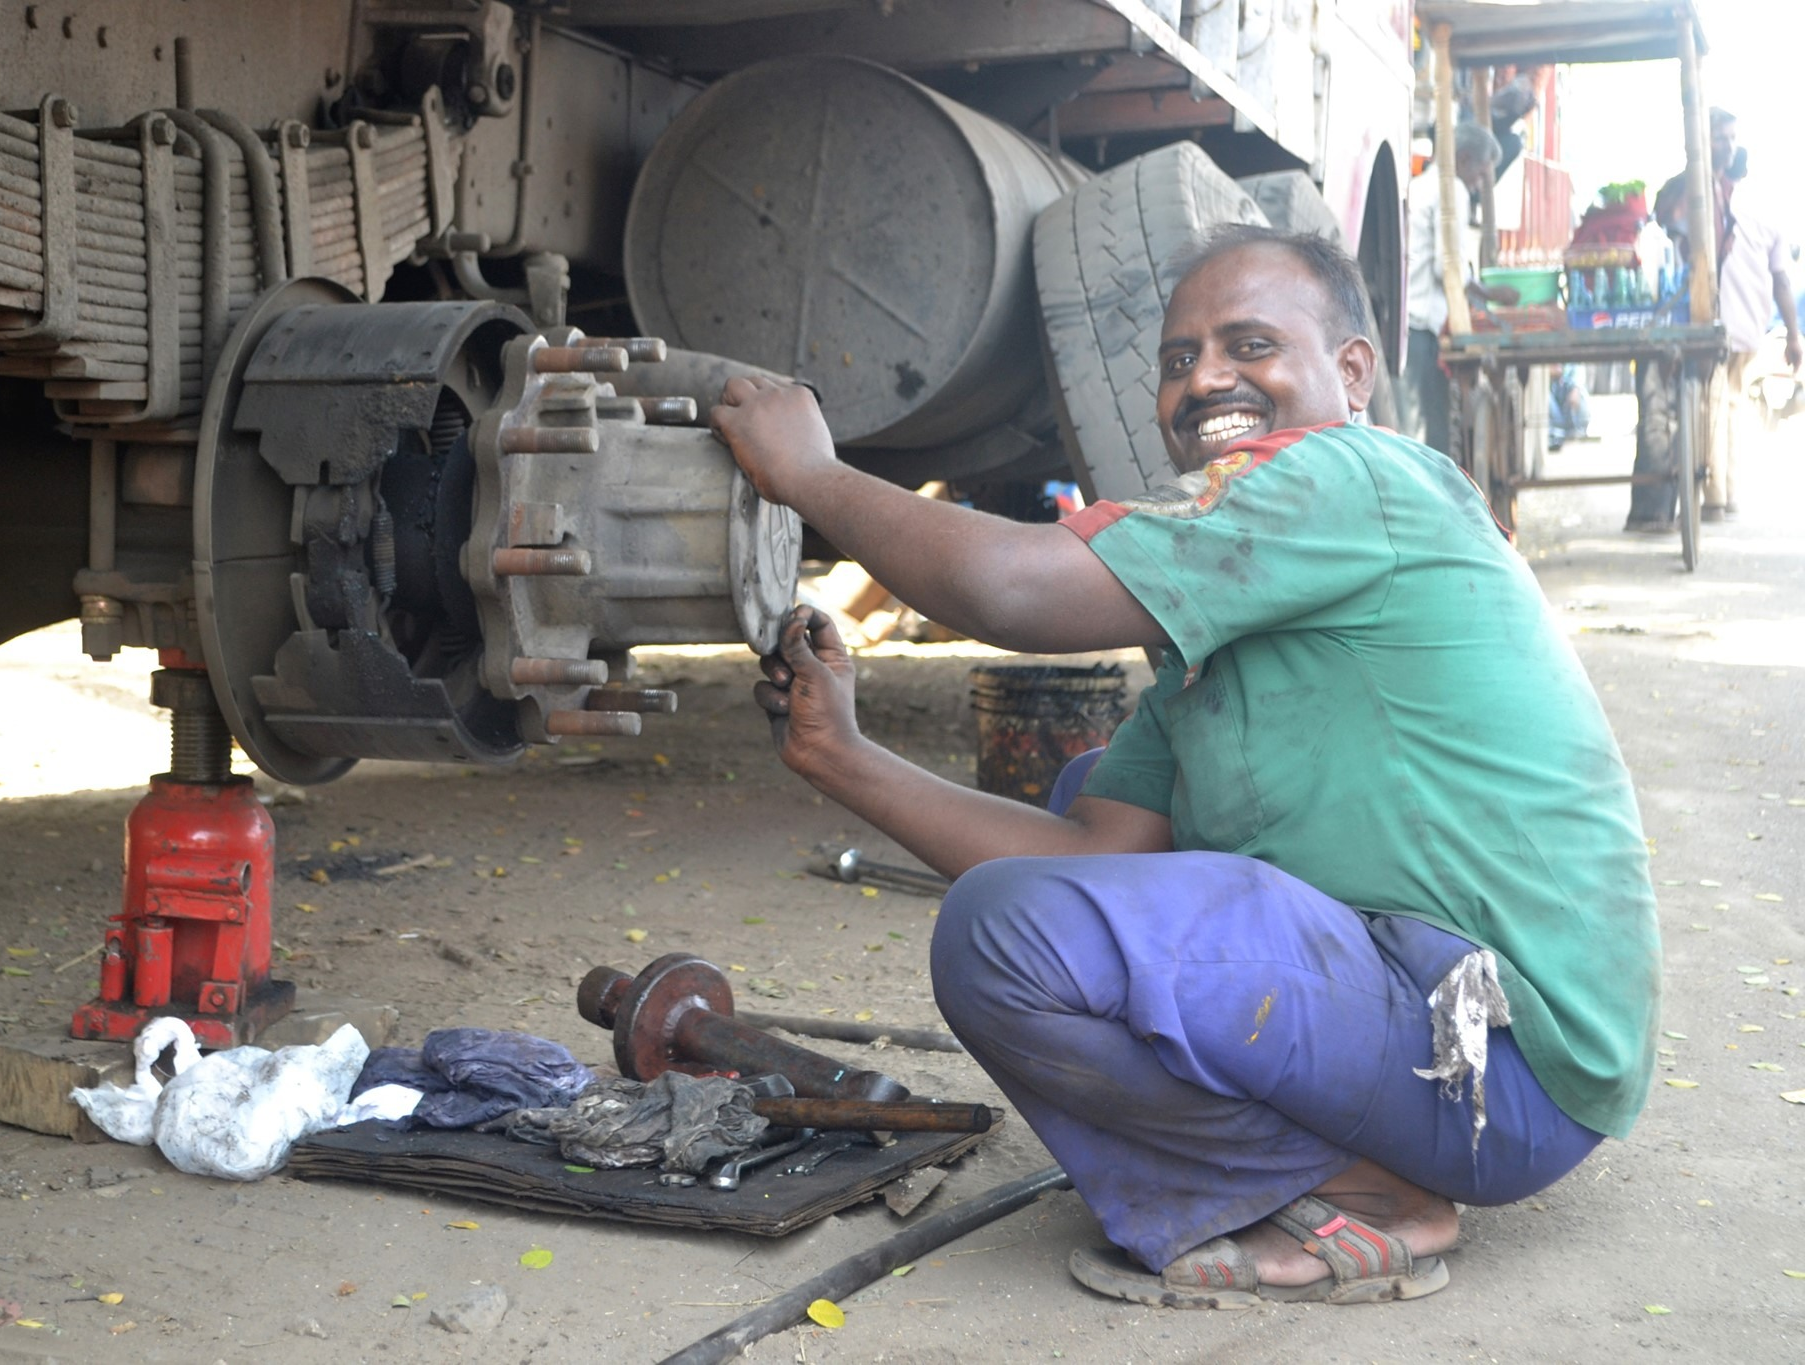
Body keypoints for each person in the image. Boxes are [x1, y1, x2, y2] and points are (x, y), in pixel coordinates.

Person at [710, 225, 1659, 1309]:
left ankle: (1371, 1197)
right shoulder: (1222, 626)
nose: (1203, 377)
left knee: (1010, 926)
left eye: (1248, 344)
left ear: (1349, 374)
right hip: (1455, 1052)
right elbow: (1091, 850)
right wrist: (845, 758)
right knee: (1076, 822)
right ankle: (1350, 1169)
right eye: (1176, 358)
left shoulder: (1347, 478)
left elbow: (1015, 591)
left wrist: (815, 477)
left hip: (1497, 1062)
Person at [1628, 108, 1801, 530]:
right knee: (1723, 404)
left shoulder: (1733, 199)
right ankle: (1719, 494)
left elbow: (1780, 277)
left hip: (1736, 323)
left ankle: (1718, 495)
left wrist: (1794, 335)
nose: (1726, 144)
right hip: (1712, 320)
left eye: (1731, 137)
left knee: (1719, 404)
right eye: (1719, 137)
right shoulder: (1690, 192)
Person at [1400, 122, 1511, 456]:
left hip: (1408, 324)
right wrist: (1491, 294)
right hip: (1423, 327)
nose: (1478, 184)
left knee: (1410, 431)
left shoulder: (1420, 185)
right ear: (1463, 159)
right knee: (1430, 440)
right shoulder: (1452, 191)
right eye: (1479, 173)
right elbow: (1446, 267)